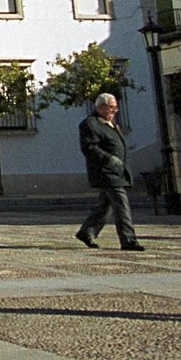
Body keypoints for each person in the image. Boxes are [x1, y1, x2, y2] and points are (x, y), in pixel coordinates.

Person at [75, 93, 144, 251]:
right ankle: (128, 240)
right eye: (111, 107)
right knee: (121, 204)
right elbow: (89, 147)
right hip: (105, 172)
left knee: (106, 205)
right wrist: (109, 159)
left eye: (115, 108)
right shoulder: (90, 124)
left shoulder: (110, 123)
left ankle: (87, 231)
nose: (114, 111)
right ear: (100, 107)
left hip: (116, 171)